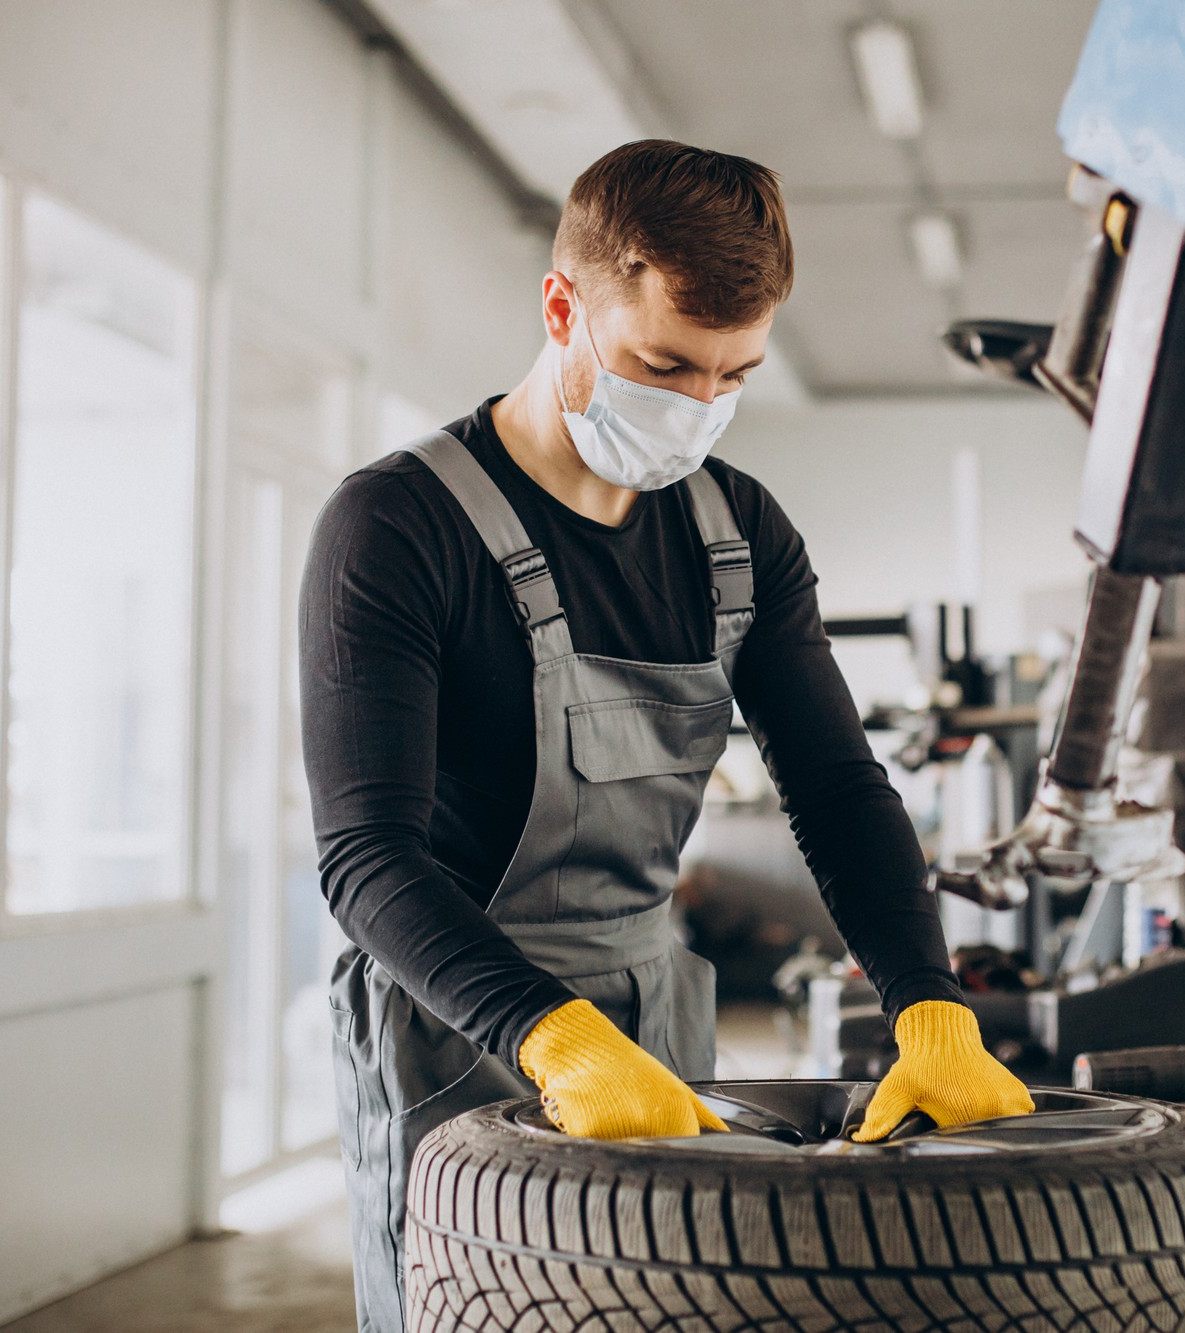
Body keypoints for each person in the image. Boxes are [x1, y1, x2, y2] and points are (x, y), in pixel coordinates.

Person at [299, 139, 1032, 1333]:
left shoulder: (739, 536)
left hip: (657, 1010)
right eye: (663, 364)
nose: (698, 407)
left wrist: (927, 1002)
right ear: (561, 309)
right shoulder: (396, 524)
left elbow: (838, 789)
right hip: (457, 1031)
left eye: (733, 375)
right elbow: (365, 859)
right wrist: (555, 1036)